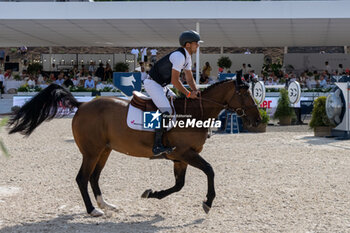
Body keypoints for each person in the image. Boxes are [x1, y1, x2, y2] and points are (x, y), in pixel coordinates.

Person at [144, 30, 201, 158]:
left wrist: (196, 91)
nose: (197, 45)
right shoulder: (179, 56)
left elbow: (189, 78)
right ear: (187, 45)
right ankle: (157, 145)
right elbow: (175, 81)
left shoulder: (187, 57)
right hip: (153, 84)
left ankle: (172, 139)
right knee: (168, 111)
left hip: (161, 85)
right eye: (196, 43)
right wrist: (187, 94)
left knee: (177, 106)